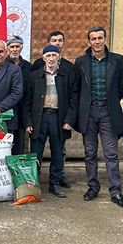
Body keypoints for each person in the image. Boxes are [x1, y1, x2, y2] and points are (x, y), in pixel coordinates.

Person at [74, 26, 123, 209]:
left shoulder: (117, 60)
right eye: (93, 39)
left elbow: (121, 86)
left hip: (108, 112)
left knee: (111, 153)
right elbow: (78, 88)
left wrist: (112, 104)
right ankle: (92, 186)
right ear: (88, 42)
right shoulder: (81, 62)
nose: (97, 42)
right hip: (89, 113)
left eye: (100, 38)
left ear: (105, 39)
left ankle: (116, 190)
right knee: (90, 153)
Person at [25, 45, 77, 198]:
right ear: (43, 58)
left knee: (57, 152)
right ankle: (34, 183)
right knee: (36, 152)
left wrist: (69, 120)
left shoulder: (67, 75)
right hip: (39, 119)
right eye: (48, 56)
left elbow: (74, 99)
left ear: (59, 57)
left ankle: (54, 183)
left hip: (58, 118)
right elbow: (27, 101)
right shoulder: (35, 76)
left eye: (54, 55)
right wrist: (28, 122)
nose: (51, 59)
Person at [7, 35, 32, 154]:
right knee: (5, 145)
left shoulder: (28, 67)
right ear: (8, 48)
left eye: (17, 46)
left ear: (21, 48)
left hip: (23, 112)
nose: (15, 49)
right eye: (12, 46)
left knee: (20, 145)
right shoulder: (1, 65)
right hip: (6, 112)